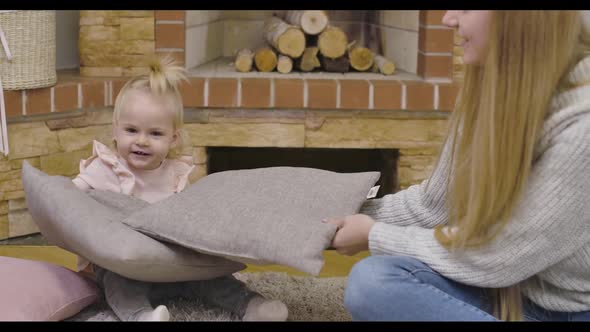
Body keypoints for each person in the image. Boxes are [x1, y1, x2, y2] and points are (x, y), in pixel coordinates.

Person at [325, 10, 590, 321]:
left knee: (374, 288)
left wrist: (374, 235)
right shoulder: (489, 85)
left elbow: (503, 256)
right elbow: (432, 206)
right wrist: (340, 214)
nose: (448, 19)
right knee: (374, 281)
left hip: (570, 309)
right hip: (510, 295)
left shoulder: (582, 127)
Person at [72, 56, 289, 322]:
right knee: (118, 280)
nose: (141, 141)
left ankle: (252, 306)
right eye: (131, 130)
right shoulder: (105, 168)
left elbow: (186, 219)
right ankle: (141, 316)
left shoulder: (174, 175)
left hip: (169, 267)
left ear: (172, 138)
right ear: (115, 130)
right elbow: (68, 200)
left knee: (213, 278)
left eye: (155, 134)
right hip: (124, 265)